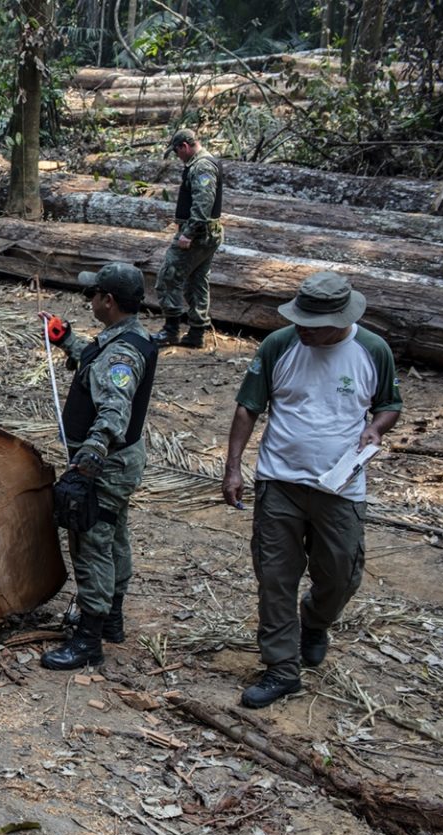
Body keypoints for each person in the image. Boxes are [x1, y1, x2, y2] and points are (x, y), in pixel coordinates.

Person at [222, 272, 402, 708]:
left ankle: (316, 620)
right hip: (279, 480)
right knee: (275, 577)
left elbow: (389, 405)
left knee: (340, 574)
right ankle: (282, 667)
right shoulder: (280, 345)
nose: (302, 327)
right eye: (298, 318)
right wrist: (233, 468)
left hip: (340, 487)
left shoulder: (372, 350)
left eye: (312, 323)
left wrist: (376, 430)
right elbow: (249, 408)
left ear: (341, 319)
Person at [38, 262, 159, 670]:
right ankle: (112, 619)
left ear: (108, 300)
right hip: (120, 462)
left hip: (106, 465)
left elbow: (114, 408)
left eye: (93, 295)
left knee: (90, 543)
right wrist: (68, 340)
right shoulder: (126, 338)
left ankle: (88, 638)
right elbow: (99, 371)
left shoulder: (123, 352)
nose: (88, 299)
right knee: (114, 536)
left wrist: (89, 458)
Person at [152, 128, 223, 350]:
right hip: (206, 233)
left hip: (199, 234)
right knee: (197, 282)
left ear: (184, 146)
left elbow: (203, 202)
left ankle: (171, 330)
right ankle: (196, 332)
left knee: (168, 276)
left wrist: (188, 233)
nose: (178, 157)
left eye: (177, 152)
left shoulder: (202, 166)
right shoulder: (202, 163)